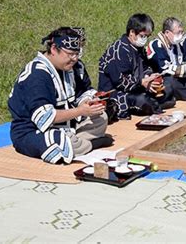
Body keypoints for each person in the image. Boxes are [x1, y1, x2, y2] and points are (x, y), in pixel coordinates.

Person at [8, 27, 110, 164]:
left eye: (77, 54)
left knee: (101, 117)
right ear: (54, 49)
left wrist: (88, 102)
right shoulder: (37, 75)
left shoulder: (71, 67)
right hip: (32, 131)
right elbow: (45, 118)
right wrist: (81, 111)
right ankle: (89, 144)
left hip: (69, 125)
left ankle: (79, 143)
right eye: (70, 54)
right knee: (59, 143)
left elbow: (82, 91)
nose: (74, 59)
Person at [98, 13, 175, 120]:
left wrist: (151, 77)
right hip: (117, 93)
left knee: (169, 84)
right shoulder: (119, 50)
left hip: (138, 87)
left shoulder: (138, 48)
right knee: (143, 100)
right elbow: (121, 82)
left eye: (147, 37)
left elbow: (145, 68)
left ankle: (156, 103)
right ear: (132, 32)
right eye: (142, 36)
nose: (145, 39)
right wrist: (142, 83)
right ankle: (154, 105)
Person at [147, 17, 186, 101]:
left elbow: (181, 62)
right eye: (178, 32)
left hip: (175, 76)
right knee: (172, 83)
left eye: (182, 32)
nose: (181, 35)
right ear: (167, 33)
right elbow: (164, 69)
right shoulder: (157, 45)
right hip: (161, 79)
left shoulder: (176, 45)